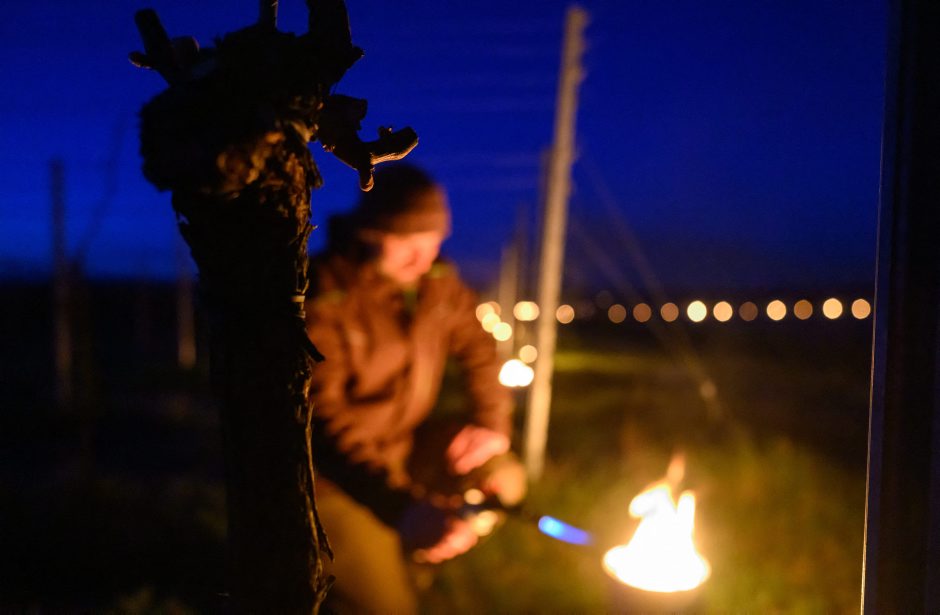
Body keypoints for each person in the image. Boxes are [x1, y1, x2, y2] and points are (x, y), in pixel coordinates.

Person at [305, 163, 524, 613]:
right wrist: (399, 508)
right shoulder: (326, 295)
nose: (422, 259)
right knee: (392, 608)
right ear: (372, 231)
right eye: (407, 242)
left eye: (433, 241)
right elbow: (321, 421)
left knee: (504, 475)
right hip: (335, 478)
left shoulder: (437, 285)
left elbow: (479, 349)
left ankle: (440, 536)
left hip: (406, 448)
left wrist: (491, 423)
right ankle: (412, 537)